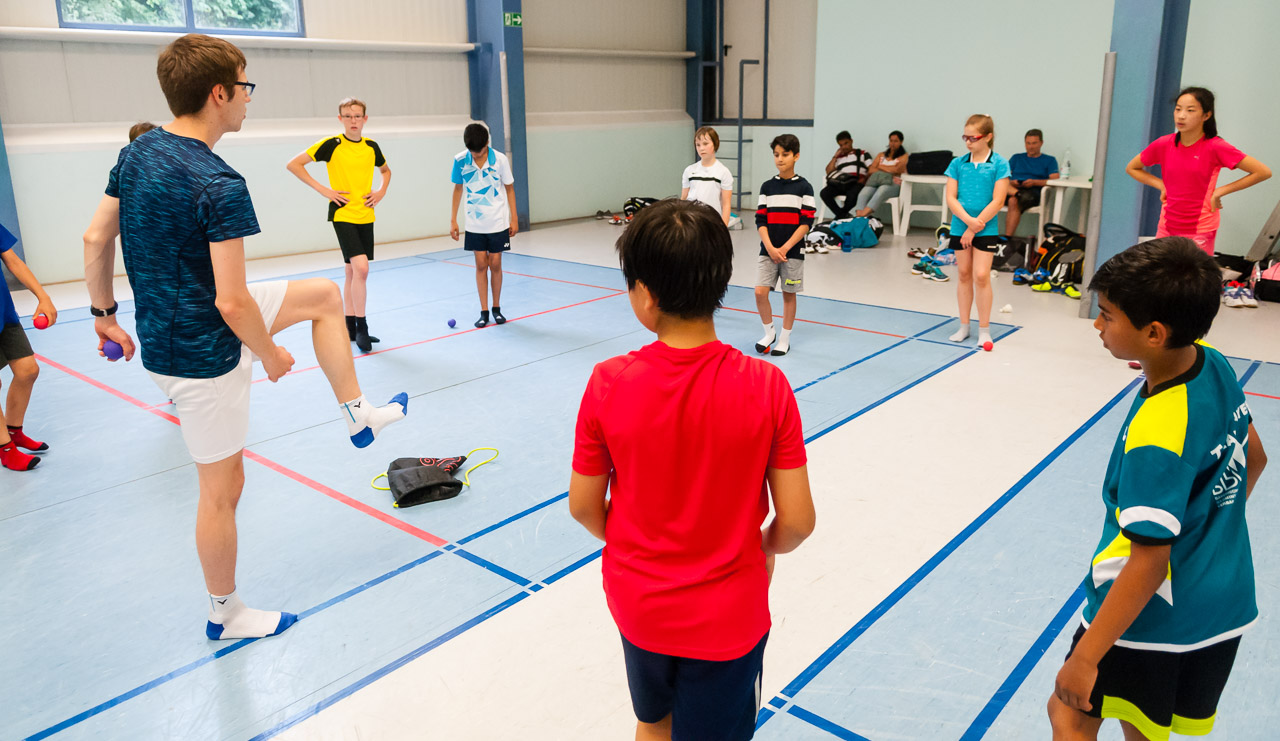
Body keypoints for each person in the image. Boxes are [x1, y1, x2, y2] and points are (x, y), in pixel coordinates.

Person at [81, 33, 408, 640]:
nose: (249, 97)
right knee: (222, 489)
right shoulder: (218, 182)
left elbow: (96, 238)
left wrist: (103, 312)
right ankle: (225, 612)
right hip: (201, 353)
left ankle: (358, 413)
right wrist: (270, 354)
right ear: (218, 93)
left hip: (175, 321)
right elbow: (232, 303)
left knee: (324, 296)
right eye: (245, 85)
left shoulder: (139, 151)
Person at [569, 198, 815, 741]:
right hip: (729, 616)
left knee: (653, 720)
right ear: (721, 283)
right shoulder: (767, 387)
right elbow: (797, 522)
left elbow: (584, 507)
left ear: (645, 294)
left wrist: (640, 548)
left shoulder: (608, 382)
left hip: (639, 605)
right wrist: (759, 547)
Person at [1049, 236, 1267, 741]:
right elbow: (1254, 458)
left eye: (1106, 315)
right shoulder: (1212, 362)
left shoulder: (1157, 435)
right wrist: (1207, 534)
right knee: (1145, 725)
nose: (1097, 325)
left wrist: (1085, 659)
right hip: (1224, 600)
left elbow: (1148, 563)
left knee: (1070, 715)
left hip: (1152, 616)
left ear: (1153, 333)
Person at [1126, 87, 1271, 306]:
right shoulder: (1164, 143)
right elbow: (1132, 168)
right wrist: (1161, 185)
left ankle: (1192, 325)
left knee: (1192, 286)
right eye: (1178, 109)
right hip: (1167, 225)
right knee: (1163, 282)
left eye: (1190, 110)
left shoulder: (1215, 146)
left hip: (1201, 227)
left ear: (1206, 115)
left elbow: (1262, 172)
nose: (1181, 116)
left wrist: (1220, 191)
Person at [286, 97, 391, 353]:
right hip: (342, 214)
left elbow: (386, 171)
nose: (353, 121)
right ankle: (362, 327)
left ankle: (350, 327)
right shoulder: (332, 145)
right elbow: (294, 164)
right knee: (362, 269)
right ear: (340, 119)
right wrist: (324, 190)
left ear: (365, 119)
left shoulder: (371, 146)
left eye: (357, 116)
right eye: (348, 116)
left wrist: (380, 192)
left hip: (365, 215)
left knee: (352, 272)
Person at [944, 114, 1010, 349]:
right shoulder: (957, 164)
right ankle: (964, 326)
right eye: (965, 137)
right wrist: (967, 222)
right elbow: (951, 198)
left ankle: (984, 329)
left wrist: (975, 226)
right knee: (963, 274)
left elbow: (998, 200)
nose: (968, 142)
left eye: (974, 138)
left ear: (988, 137)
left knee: (981, 276)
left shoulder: (1000, 164)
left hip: (985, 227)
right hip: (960, 226)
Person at [450, 123, 518, 328]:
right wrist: (453, 219)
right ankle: (484, 311)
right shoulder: (460, 160)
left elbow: (509, 188)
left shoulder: (500, 160)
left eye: (479, 151)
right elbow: (458, 189)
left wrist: (514, 218)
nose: (476, 155)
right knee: (481, 264)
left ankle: (496, 308)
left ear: (487, 143)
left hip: (497, 222)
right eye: (472, 151)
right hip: (474, 224)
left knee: (495, 263)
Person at [0, 221, 55, 471]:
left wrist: (43, 296)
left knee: (28, 370)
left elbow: (13, 261)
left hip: (4, 314)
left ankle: (14, 432)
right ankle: (6, 450)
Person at [755, 134, 815, 357]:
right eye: (776, 154)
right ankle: (769, 333)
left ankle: (784, 339)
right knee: (760, 292)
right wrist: (771, 248)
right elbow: (761, 221)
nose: (780, 159)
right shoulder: (767, 187)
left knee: (789, 295)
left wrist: (785, 248)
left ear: (796, 156)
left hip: (793, 253)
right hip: (768, 250)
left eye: (785, 154)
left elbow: (806, 222)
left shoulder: (805, 187)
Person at [1005, 128, 1059, 236]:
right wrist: (1012, 182)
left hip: (1033, 192)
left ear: (1041, 143)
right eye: (1028, 143)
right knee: (1000, 185)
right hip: (1013, 189)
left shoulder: (1049, 160)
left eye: (1034, 143)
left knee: (1013, 201)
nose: (1031, 146)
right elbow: (1004, 177)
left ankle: (1007, 238)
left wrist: (1034, 182)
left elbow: (1055, 180)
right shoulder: (1016, 158)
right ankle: (1018, 194)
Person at [680, 126, 734, 226]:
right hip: (691, 222)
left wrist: (723, 229)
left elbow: (726, 204)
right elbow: (683, 198)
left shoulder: (724, 172)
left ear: (715, 144)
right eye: (698, 145)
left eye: (705, 144)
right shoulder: (689, 170)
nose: (701, 148)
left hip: (712, 222)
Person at [853, 130, 909, 218]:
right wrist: (888, 170)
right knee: (863, 194)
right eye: (891, 141)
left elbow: (896, 170)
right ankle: (859, 216)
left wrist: (879, 168)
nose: (893, 143)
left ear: (901, 142)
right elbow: (871, 169)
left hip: (893, 183)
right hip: (877, 180)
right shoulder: (881, 155)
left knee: (882, 190)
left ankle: (862, 215)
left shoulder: (904, 156)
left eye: (896, 141)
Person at [820, 130, 871, 220]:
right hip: (841, 183)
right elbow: (828, 171)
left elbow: (871, 169)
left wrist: (865, 179)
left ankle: (840, 216)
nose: (844, 147)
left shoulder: (862, 153)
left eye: (846, 143)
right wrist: (835, 156)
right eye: (841, 145)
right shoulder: (839, 157)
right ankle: (842, 215)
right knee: (824, 193)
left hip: (856, 183)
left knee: (853, 194)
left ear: (851, 141)